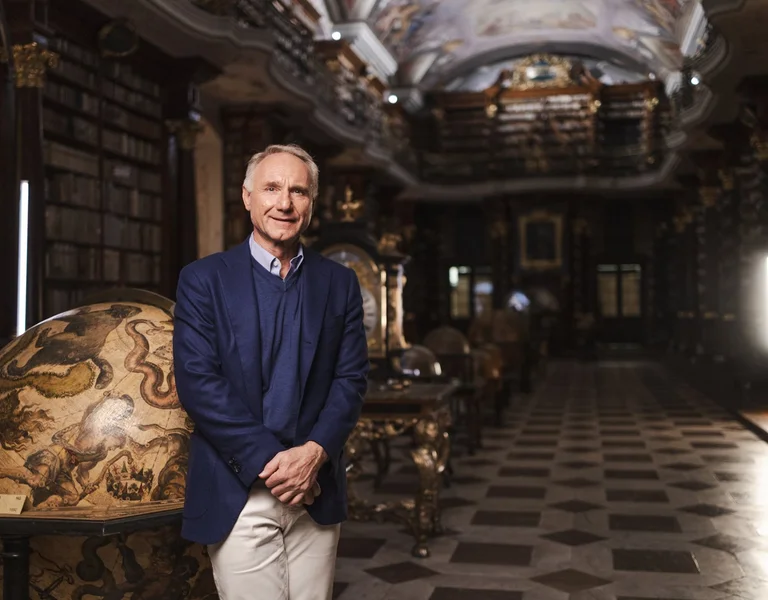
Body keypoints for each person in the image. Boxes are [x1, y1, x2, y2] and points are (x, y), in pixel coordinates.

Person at [173, 144, 370, 599]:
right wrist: (276, 464)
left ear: (311, 203)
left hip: (314, 488)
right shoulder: (203, 280)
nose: (285, 203)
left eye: (298, 191)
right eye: (272, 188)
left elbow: (351, 379)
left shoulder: (339, 283)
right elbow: (199, 385)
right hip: (239, 490)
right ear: (247, 197)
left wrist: (313, 455)